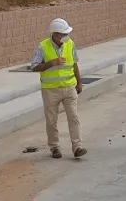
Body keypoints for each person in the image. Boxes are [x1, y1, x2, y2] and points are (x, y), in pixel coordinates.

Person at [30, 18, 87, 159]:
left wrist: (79, 82)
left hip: (69, 88)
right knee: (51, 120)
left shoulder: (70, 44)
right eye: (63, 34)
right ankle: (54, 147)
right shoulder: (43, 47)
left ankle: (77, 146)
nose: (67, 36)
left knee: (74, 117)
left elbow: (74, 64)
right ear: (55, 35)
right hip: (50, 90)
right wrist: (51, 63)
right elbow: (34, 67)